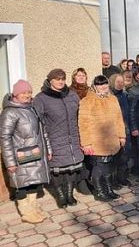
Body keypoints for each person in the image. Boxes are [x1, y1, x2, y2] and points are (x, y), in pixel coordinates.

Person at [0, 80, 51, 223]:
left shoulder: (32, 108)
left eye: (29, 92)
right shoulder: (9, 112)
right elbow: (4, 138)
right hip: (20, 156)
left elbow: (43, 131)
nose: (27, 95)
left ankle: (33, 208)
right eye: (24, 92)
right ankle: (26, 212)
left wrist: (48, 149)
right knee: (21, 184)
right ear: (16, 94)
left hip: (35, 153)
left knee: (34, 181)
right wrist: (10, 162)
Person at [33, 69, 85, 208]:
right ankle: (60, 196)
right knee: (57, 169)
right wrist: (44, 143)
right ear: (50, 81)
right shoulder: (41, 98)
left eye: (62, 79)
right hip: (54, 138)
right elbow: (39, 122)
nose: (60, 82)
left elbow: (81, 115)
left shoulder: (72, 95)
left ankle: (69, 194)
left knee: (71, 168)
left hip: (73, 137)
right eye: (57, 79)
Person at [79, 75, 126, 202]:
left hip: (112, 141)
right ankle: (99, 191)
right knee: (99, 167)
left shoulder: (113, 99)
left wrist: (121, 136)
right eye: (100, 84)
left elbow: (118, 119)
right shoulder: (87, 101)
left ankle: (109, 189)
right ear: (95, 86)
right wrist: (86, 143)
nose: (103, 87)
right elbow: (83, 124)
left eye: (105, 84)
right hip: (96, 142)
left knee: (109, 166)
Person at [108, 74, 131, 188]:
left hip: (126, 128)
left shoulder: (125, 95)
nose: (120, 83)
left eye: (122, 81)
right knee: (115, 156)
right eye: (118, 81)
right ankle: (113, 180)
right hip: (114, 130)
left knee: (125, 155)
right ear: (112, 82)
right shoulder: (109, 96)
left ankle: (123, 177)